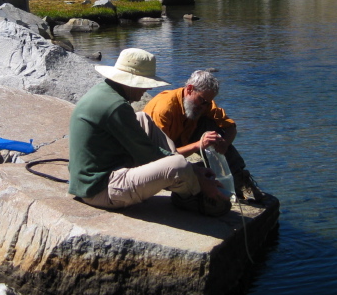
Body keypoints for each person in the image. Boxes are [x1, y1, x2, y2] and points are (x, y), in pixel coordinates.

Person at [68, 48, 230, 216]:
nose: (147, 89)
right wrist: (195, 173)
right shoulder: (116, 107)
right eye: (144, 84)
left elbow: (146, 149)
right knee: (178, 165)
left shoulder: (105, 93)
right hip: (99, 189)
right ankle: (192, 194)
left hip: (93, 177)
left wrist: (193, 170)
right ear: (130, 82)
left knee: (143, 118)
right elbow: (148, 154)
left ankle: (185, 181)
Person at [143, 69, 268, 203]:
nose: (203, 107)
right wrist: (198, 145)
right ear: (190, 89)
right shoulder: (164, 109)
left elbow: (230, 127)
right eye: (201, 101)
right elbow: (162, 156)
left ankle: (239, 179)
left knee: (212, 129)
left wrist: (224, 144)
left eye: (207, 103)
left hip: (181, 142)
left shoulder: (205, 103)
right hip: (156, 157)